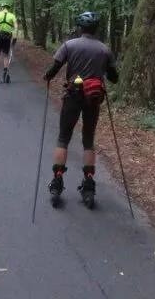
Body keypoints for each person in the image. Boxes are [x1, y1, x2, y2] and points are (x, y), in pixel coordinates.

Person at [42, 11, 118, 208]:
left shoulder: (69, 45)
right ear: (96, 29)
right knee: (88, 141)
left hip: (73, 97)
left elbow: (54, 69)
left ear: (80, 28)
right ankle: (89, 184)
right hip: (94, 98)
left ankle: (57, 180)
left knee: (63, 138)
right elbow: (114, 77)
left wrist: (47, 77)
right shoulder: (104, 49)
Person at [0, 2, 18, 83]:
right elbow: (15, 28)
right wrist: (14, 38)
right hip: (7, 37)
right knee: (6, 55)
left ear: (2, 8)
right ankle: (5, 73)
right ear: (9, 8)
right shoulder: (12, 16)